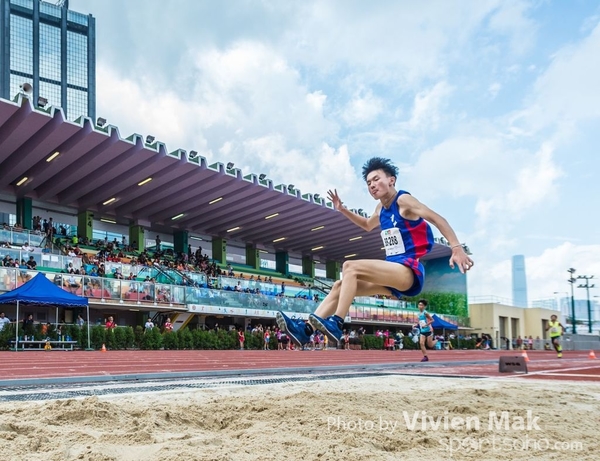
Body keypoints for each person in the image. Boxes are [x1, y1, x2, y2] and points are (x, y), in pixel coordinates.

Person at [276, 157, 474, 347]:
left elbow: (437, 218)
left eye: (376, 179)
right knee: (339, 285)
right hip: (392, 274)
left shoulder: (403, 201)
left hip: (408, 270)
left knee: (349, 267)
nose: (372, 185)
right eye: (368, 182)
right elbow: (367, 225)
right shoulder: (381, 208)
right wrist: (342, 209)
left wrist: (456, 247)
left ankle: (336, 322)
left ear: (391, 180)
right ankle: (305, 331)